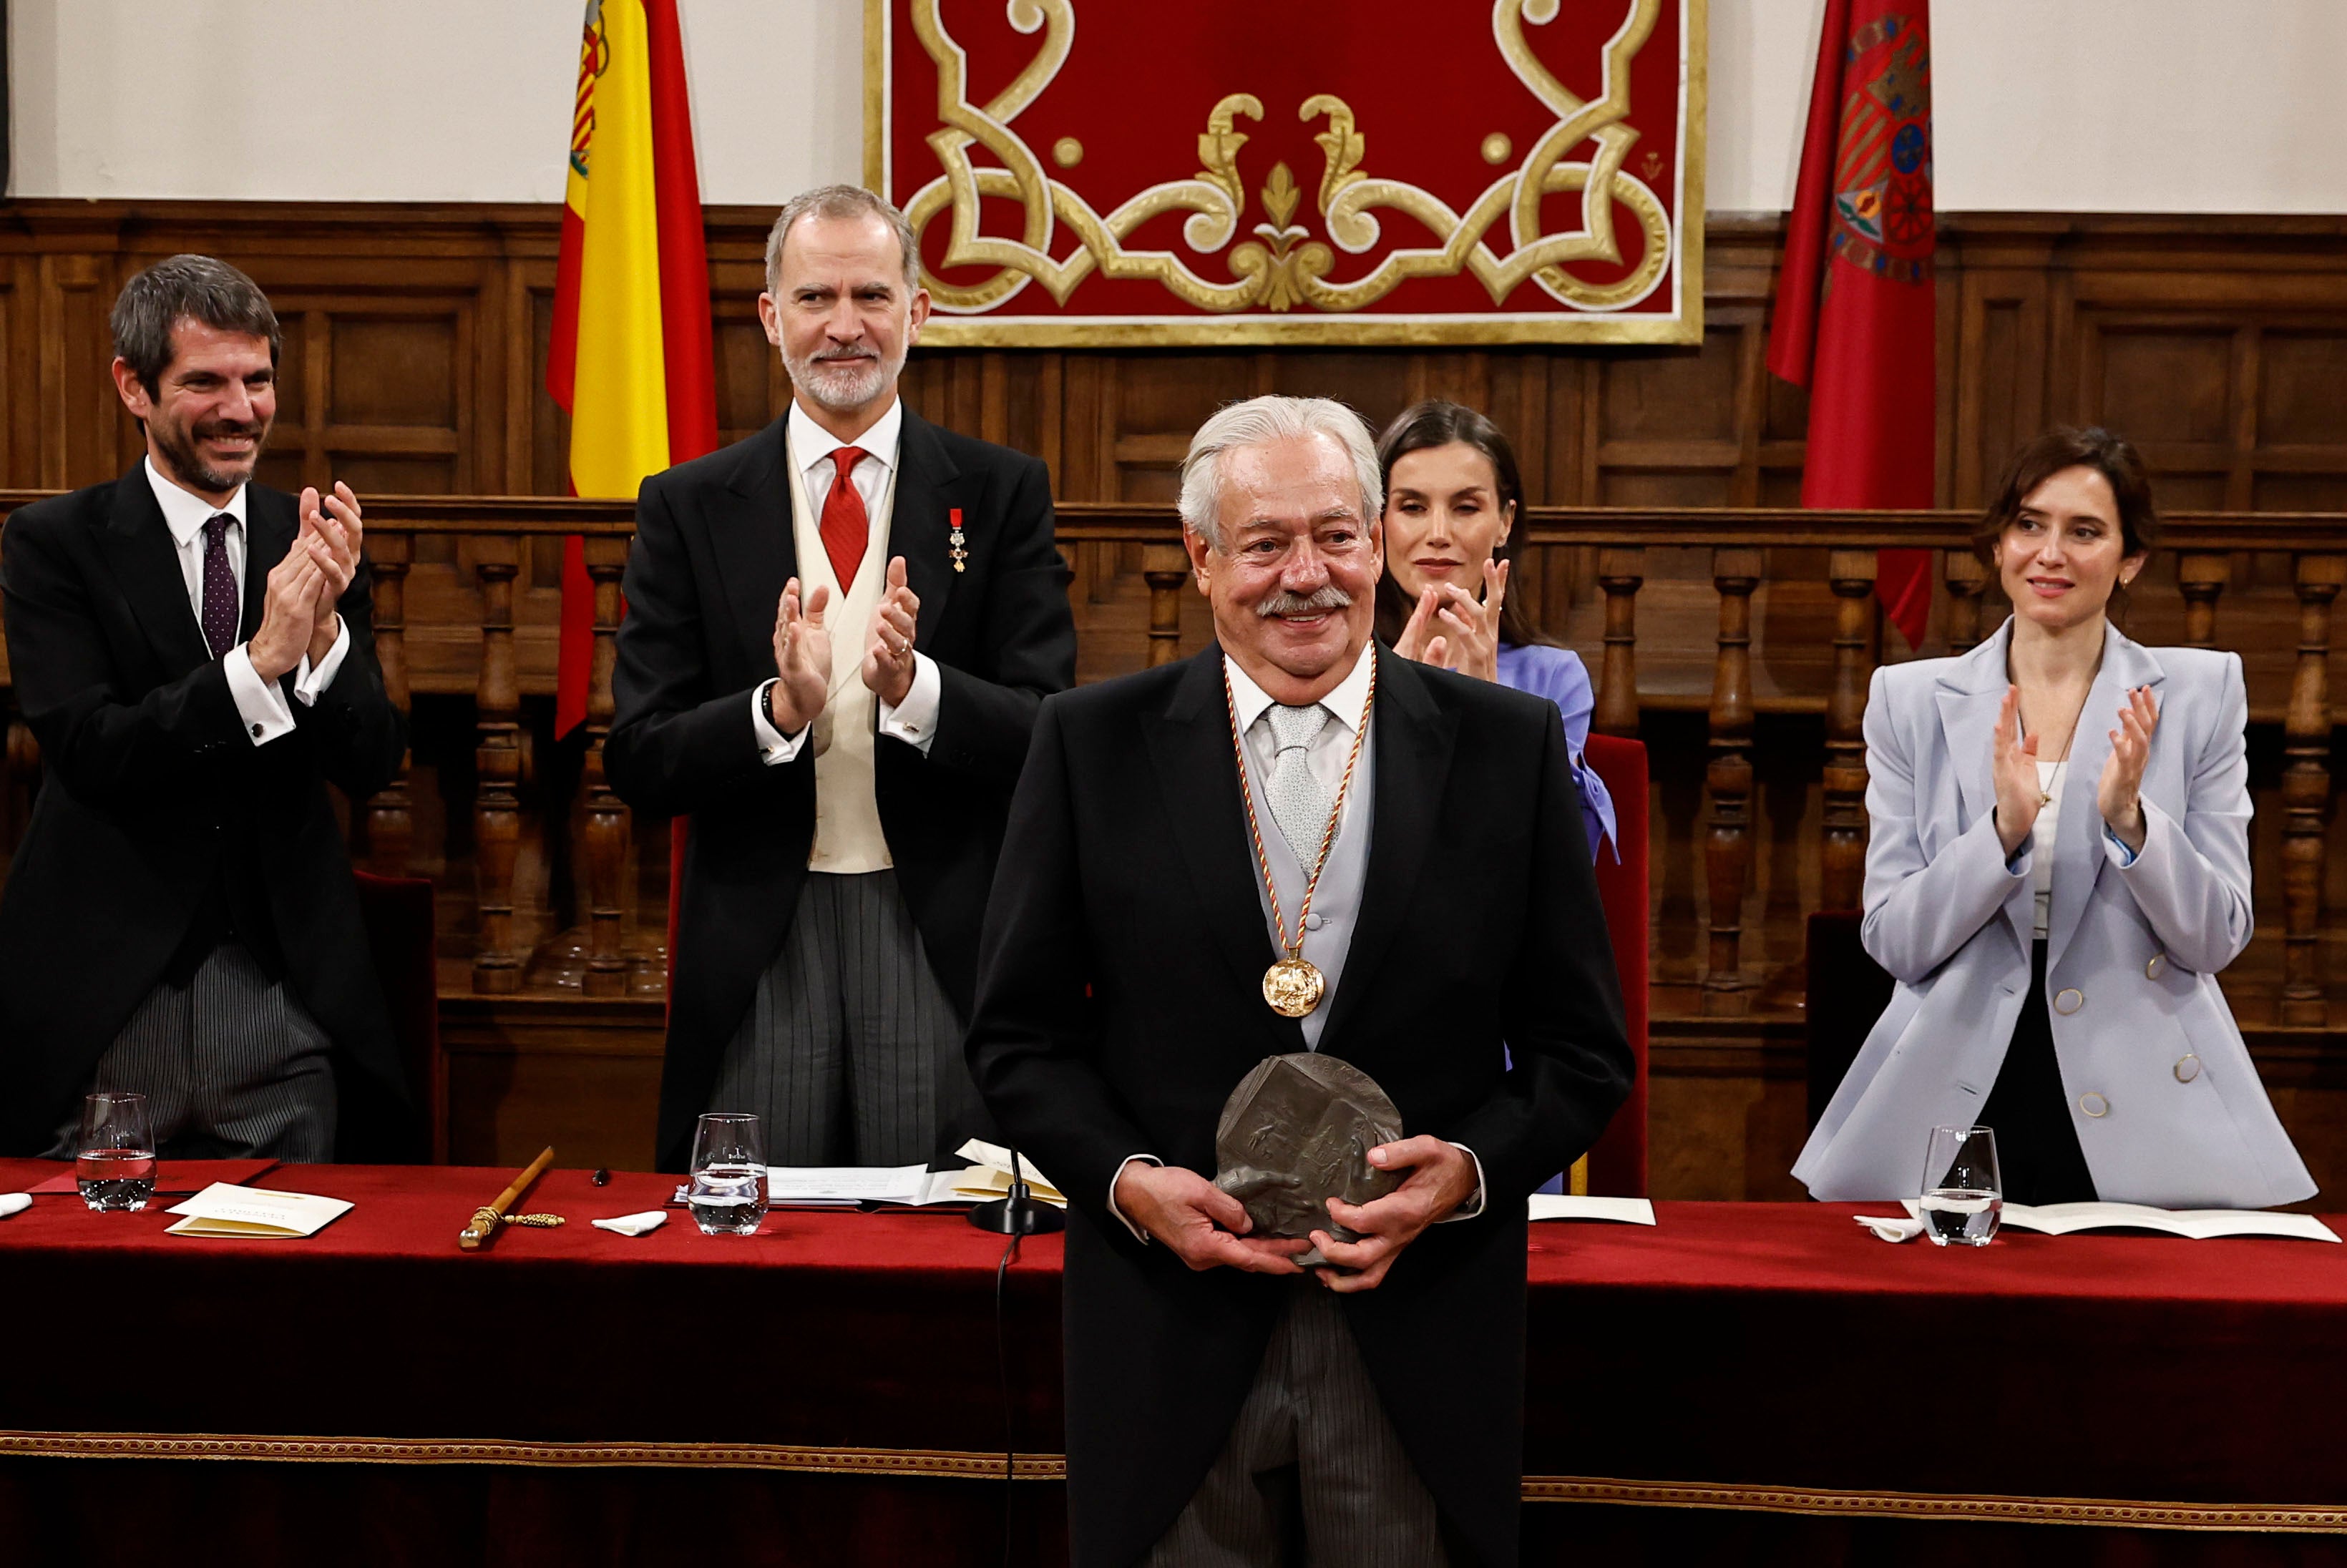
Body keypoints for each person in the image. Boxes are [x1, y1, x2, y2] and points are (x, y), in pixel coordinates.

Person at [967, 395, 1631, 1567]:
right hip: (1170, 1332)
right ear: (1201, 557)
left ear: (1376, 540)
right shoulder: (1087, 746)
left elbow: (1582, 1053)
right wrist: (1129, 1184)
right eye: (1266, 542)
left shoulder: (1507, 745)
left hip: (1415, 1332)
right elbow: (1018, 1040)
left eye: (1334, 535)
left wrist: (1465, 1173)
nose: (1305, 577)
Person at [607, 185, 1075, 1172]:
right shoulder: (688, 505)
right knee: (757, 1234)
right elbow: (641, 757)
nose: (845, 325)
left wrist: (918, 692)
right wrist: (776, 710)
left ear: (918, 311)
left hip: (936, 927)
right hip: (759, 936)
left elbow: (1045, 729)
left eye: (871, 295)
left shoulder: (1001, 492)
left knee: (940, 1228)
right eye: (815, 297)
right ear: (771, 316)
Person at [1796, 426, 2313, 1207]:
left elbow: (2215, 938)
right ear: (1997, 545)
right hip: (1958, 1079)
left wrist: (2132, 824)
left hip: (2143, 1084)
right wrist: (2000, 833)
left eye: (2085, 531)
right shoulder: (1908, 700)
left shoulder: (2201, 694)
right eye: (2029, 525)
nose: (2050, 554)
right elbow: (1895, 943)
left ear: (2130, 558)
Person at [0, 253, 411, 1162]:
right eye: (205, 383)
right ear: (133, 387)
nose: (240, 408)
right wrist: (255, 666)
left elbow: (373, 760)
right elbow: (91, 748)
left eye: (256, 379)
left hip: (281, 1011)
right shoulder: (54, 544)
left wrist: (323, 643)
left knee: (297, 1251)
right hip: (108, 1007)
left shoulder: (312, 540)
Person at [1373, 400, 1614, 858]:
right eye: (1412, 507)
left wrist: (1490, 715)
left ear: (1504, 521)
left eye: (1465, 507)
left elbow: (1557, 857)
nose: (1438, 532)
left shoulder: (1554, 678)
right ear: (1378, 523)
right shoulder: (1340, 666)